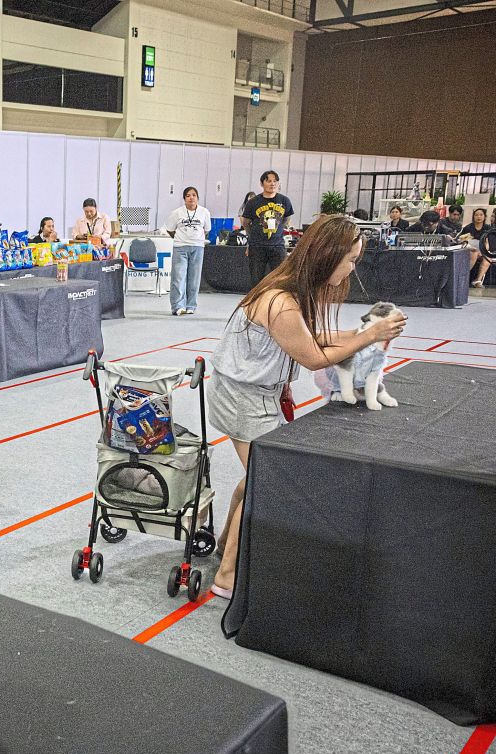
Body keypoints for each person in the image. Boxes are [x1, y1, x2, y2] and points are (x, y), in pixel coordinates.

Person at [208, 215, 406, 598]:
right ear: (328, 256)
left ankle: (223, 546)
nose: (353, 267)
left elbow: (310, 336)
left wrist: (365, 333)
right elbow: (314, 356)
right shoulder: (281, 300)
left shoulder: (295, 289)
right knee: (265, 480)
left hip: (253, 392)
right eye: (350, 259)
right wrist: (370, 336)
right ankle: (227, 574)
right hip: (243, 397)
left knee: (256, 475)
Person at [162, 186, 211, 316]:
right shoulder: (177, 213)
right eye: (188, 195)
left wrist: (197, 239)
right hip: (180, 247)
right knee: (178, 277)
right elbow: (170, 229)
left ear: (197, 198)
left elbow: (206, 229)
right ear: (184, 199)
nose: (191, 198)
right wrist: (181, 239)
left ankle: (191, 305)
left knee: (194, 278)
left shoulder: (204, 212)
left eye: (194, 195)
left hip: (198, 247)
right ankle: (177, 306)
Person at [241, 170, 294, 285]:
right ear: (262, 184)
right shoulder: (253, 202)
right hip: (257, 246)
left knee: (279, 280)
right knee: (256, 280)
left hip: (277, 246)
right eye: (269, 181)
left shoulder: (284, 201)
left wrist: (279, 228)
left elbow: (287, 218)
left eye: (275, 181)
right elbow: (245, 222)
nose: (272, 184)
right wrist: (252, 238)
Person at [461, 208, 490, 287]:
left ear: (484, 217)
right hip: (469, 250)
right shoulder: (468, 228)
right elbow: (463, 242)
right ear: (473, 216)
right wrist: (471, 248)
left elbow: (487, 243)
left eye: (481, 215)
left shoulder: (487, 228)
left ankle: (477, 280)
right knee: (474, 253)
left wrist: (483, 252)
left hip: (482, 251)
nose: (479, 217)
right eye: (476, 215)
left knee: (488, 258)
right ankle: (462, 276)